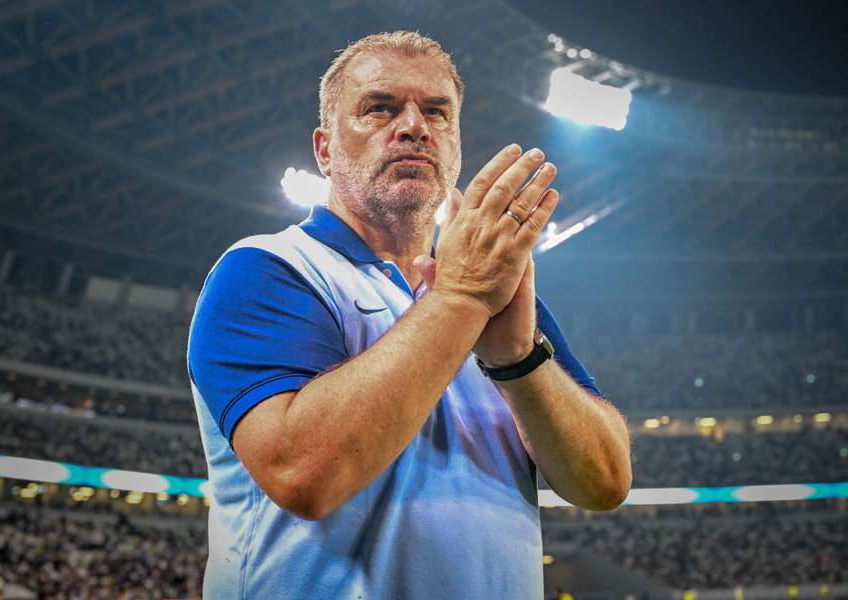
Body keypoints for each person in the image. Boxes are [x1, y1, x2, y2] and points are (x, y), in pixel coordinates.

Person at [188, 30, 632, 599]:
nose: (414, 127)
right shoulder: (268, 268)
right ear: (325, 150)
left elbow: (605, 482)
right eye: (380, 108)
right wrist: (460, 301)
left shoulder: (496, 289)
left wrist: (518, 361)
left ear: (456, 149)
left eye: (437, 112)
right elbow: (302, 474)